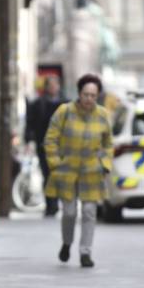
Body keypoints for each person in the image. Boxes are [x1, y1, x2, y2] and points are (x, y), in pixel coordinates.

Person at [44, 74, 113, 268]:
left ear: (97, 96)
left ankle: (85, 252)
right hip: (66, 170)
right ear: (79, 93)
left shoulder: (103, 115)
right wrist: (55, 162)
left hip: (92, 170)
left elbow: (108, 143)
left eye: (93, 95)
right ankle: (67, 243)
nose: (89, 99)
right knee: (69, 212)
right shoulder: (64, 111)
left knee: (90, 211)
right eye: (86, 94)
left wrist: (104, 164)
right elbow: (50, 138)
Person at [25, 75, 67, 216]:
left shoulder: (65, 104)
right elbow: (30, 124)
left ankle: (58, 203)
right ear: (46, 87)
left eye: (55, 85)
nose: (53, 88)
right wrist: (29, 140)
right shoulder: (38, 104)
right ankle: (50, 205)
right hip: (44, 145)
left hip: (62, 146)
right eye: (50, 85)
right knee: (47, 175)